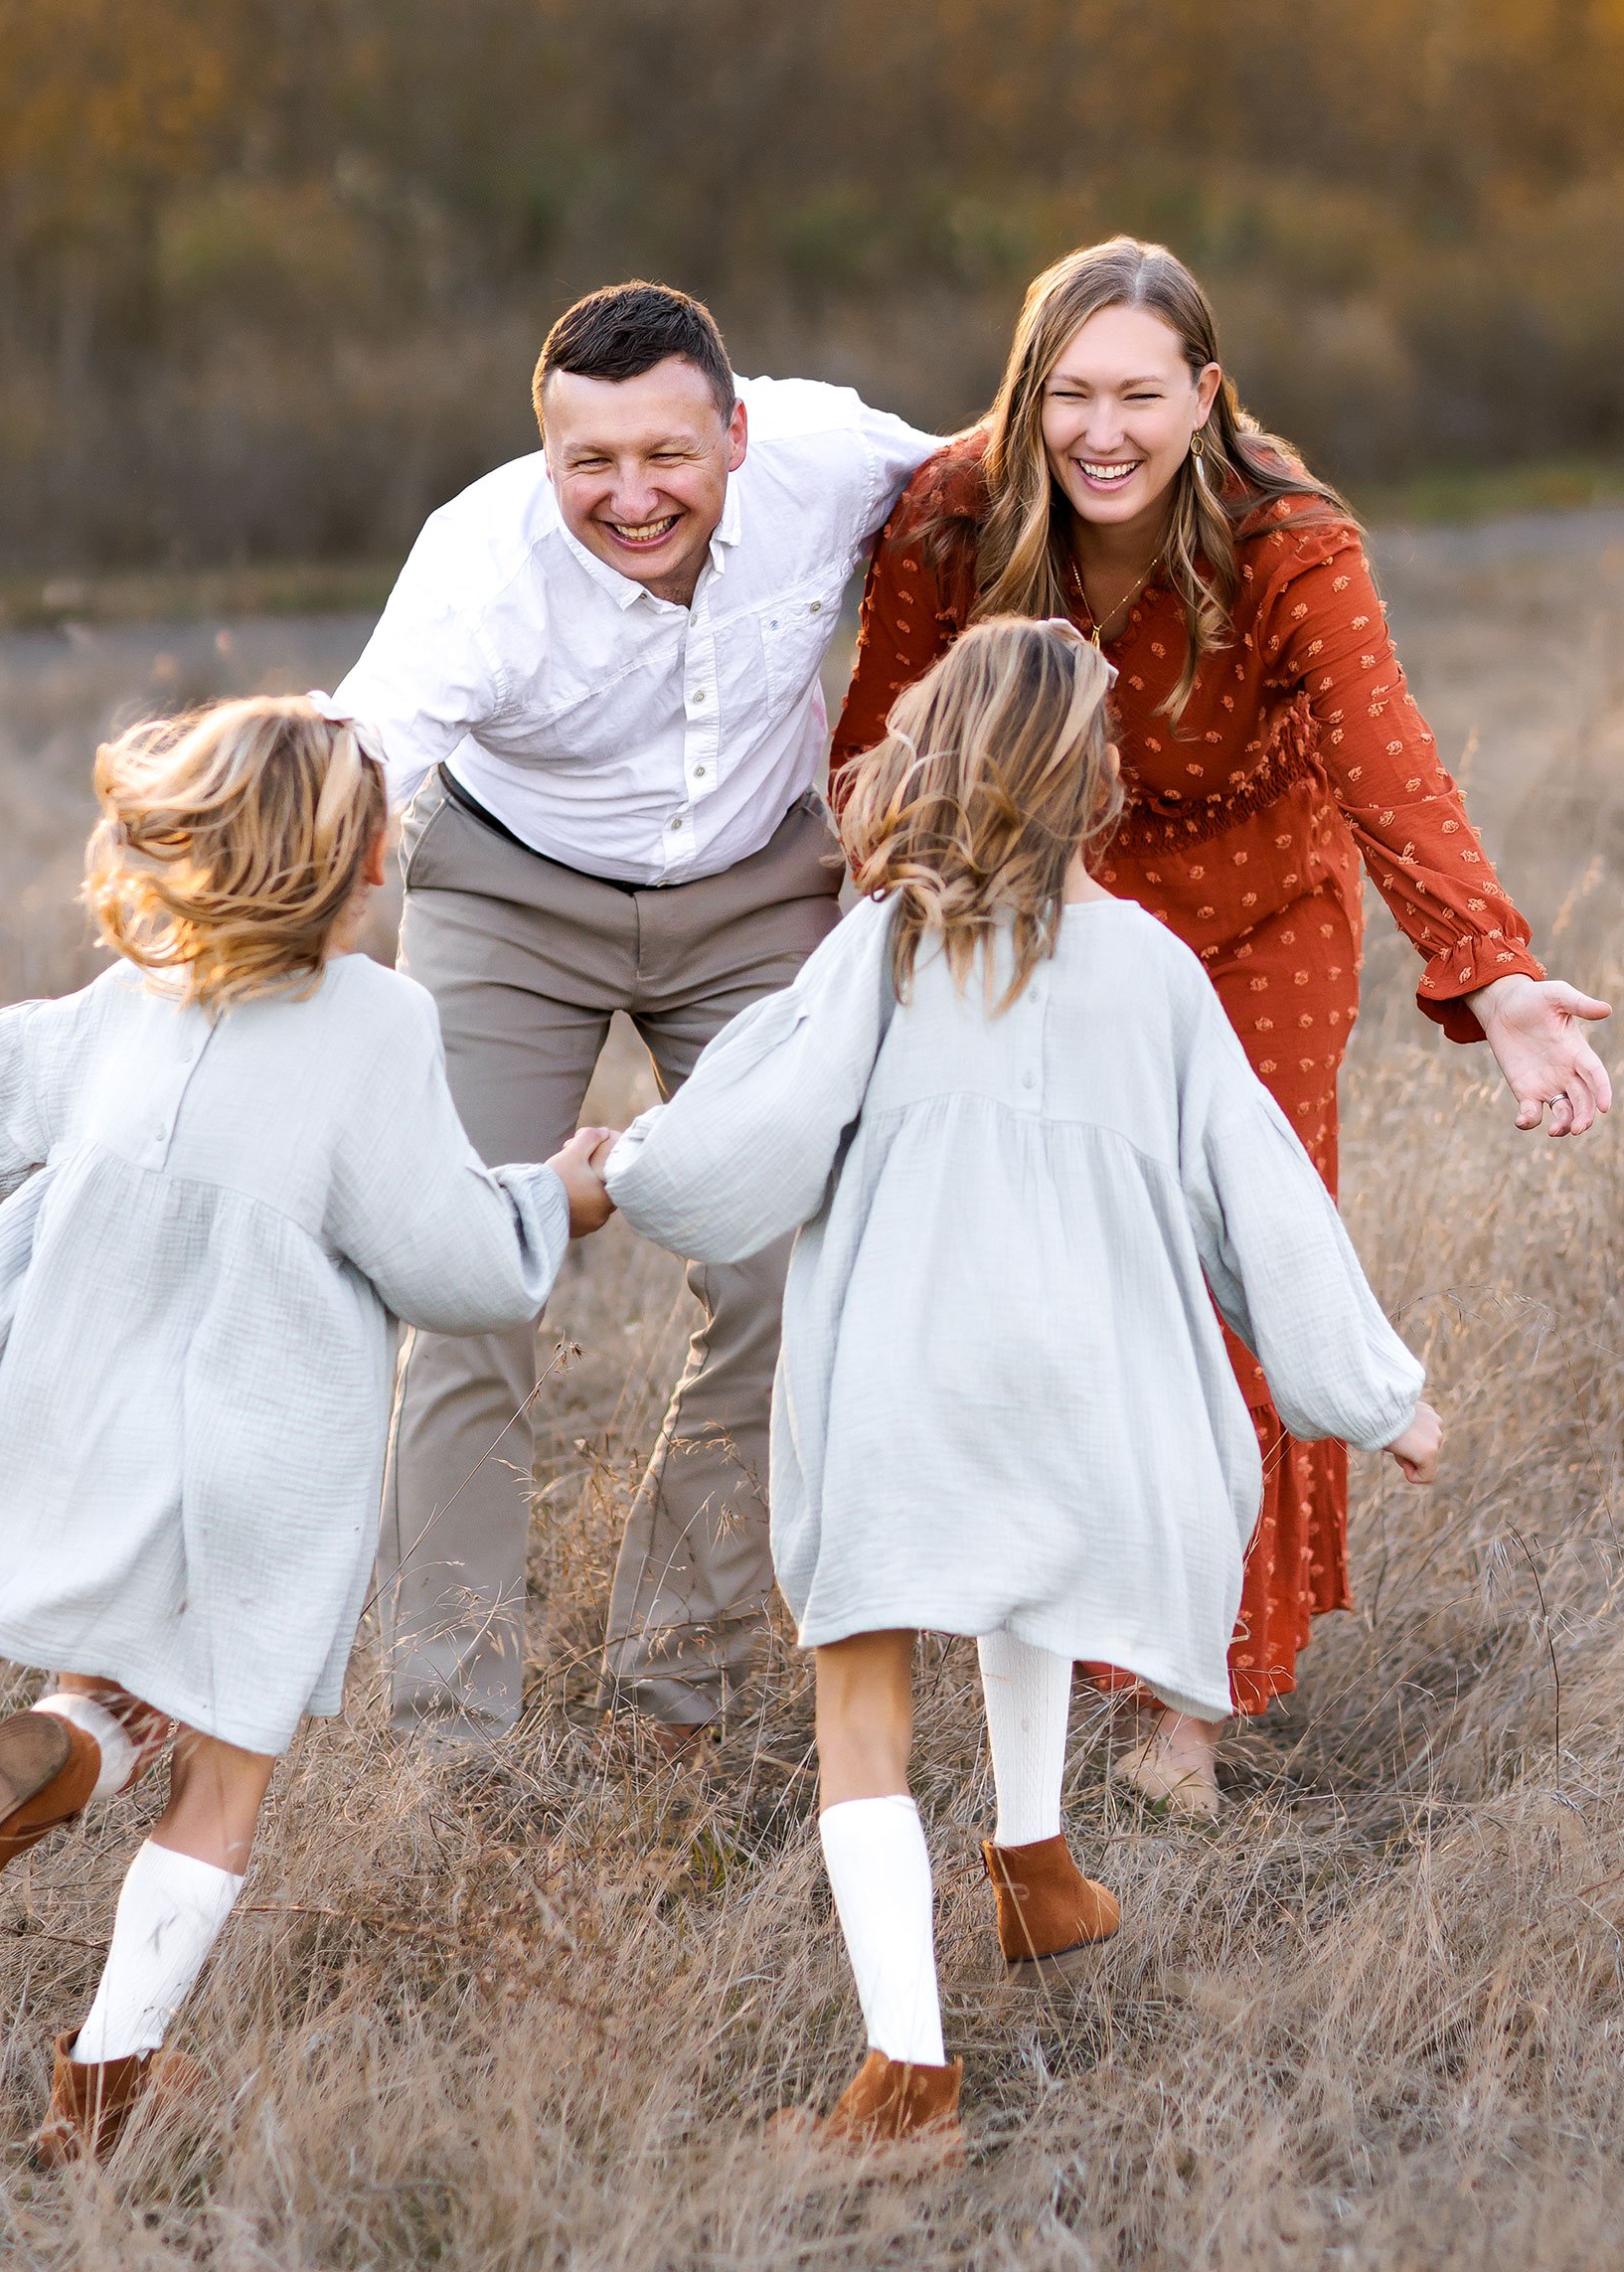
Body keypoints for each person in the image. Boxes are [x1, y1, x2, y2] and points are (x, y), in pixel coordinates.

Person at [0, 698, 613, 2164]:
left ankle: (67, 1740)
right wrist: (557, 1204)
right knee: (227, 1763)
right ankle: (105, 2086)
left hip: (88, 1410)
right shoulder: (379, 1021)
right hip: (264, 1438)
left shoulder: (138, 987)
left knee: (127, 1671)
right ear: (363, 861)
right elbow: (441, 1252)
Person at [600, 620, 1442, 2151]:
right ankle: (1037, 1866)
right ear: (1097, 789)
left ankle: (905, 2073)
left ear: (935, 758)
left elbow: (752, 1142)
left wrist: (631, 1164)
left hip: (906, 1375)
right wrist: (1375, 1394)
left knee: (862, 1701)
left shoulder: (890, 944)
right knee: (1031, 1579)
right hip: (1085, 1384)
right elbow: (1258, 1190)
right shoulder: (1159, 972)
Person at [829, 238, 1610, 1817]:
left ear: (1206, 393)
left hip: (1261, 911)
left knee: (1236, 1266)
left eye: (1139, 395)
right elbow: (877, 759)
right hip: (1043, 904)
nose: (1102, 433)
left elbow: (1389, 766)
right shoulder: (954, 517)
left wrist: (1495, 971)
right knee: (1062, 1277)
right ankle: (1056, 1629)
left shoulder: (1288, 539)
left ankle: (1192, 1703)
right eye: (1070, 396)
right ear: (1027, 395)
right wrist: (879, 959)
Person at [329, 279, 932, 1749]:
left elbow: (1022, 479)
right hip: (511, 893)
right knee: (468, 1279)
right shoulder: (481, 564)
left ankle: (678, 1686)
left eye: (668, 454)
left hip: (756, 885)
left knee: (792, 1273)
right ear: (544, 453)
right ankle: (450, 1735)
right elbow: (352, 770)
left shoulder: (833, 456)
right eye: (588, 461)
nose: (632, 495)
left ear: (737, 431)